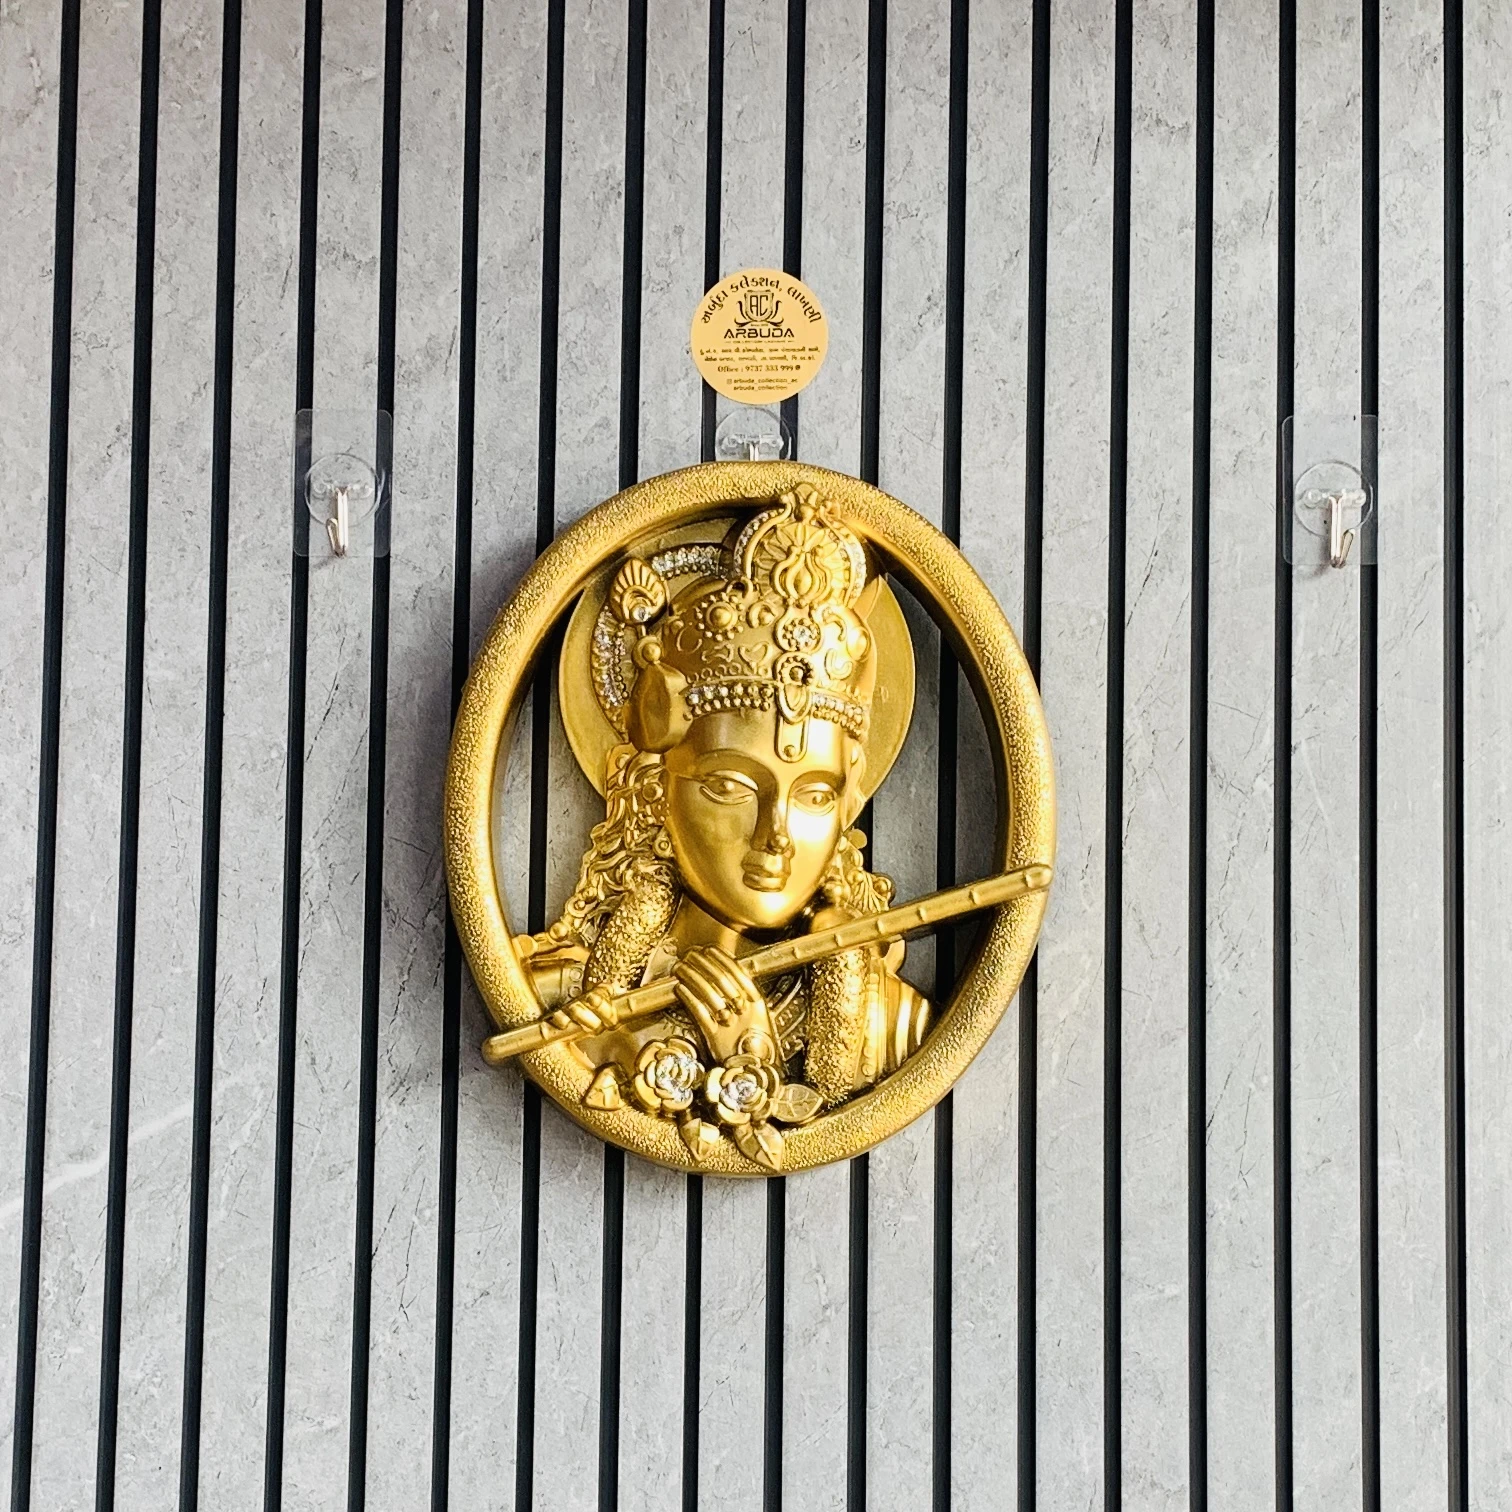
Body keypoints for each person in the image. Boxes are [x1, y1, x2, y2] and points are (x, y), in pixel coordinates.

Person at [515, 485, 930, 1167]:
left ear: (848, 802)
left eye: (815, 795)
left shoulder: (895, 1026)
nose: (776, 836)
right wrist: (612, 1039)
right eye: (732, 787)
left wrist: (755, 1056)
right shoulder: (561, 997)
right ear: (658, 792)